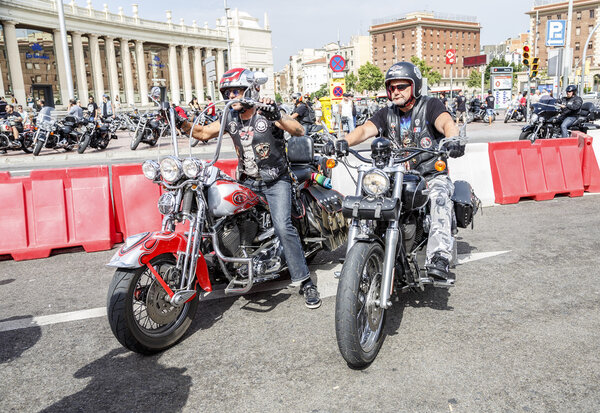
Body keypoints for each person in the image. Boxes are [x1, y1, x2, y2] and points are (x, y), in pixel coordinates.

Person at [171, 67, 322, 309]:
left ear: (250, 89)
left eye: (237, 91)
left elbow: (298, 130)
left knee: (283, 226)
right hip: (247, 180)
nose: (232, 96)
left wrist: (277, 116)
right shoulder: (229, 117)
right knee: (220, 215)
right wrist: (179, 121)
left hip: (275, 181)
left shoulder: (267, 110)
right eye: (228, 92)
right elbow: (202, 133)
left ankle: (305, 281)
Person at [332, 61, 464, 282]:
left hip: (429, 176)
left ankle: (439, 256)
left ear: (415, 86)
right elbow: (365, 129)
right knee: (369, 198)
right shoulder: (386, 114)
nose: (395, 91)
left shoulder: (431, 106)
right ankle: (363, 252)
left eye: (401, 86)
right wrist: (343, 142)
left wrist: (453, 139)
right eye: (391, 87)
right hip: (395, 178)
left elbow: (447, 123)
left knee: (440, 198)